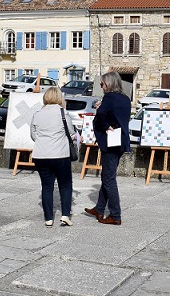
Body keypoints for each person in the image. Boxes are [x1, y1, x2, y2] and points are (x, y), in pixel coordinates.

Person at [84, 71, 131, 225]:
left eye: (102, 84)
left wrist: (104, 124)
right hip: (121, 142)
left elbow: (101, 116)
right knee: (107, 176)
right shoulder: (125, 98)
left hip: (111, 142)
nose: (101, 87)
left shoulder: (109, 97)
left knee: (109, 179)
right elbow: (117, 116)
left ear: (109, 83)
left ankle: (115, 215)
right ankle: (99, 208)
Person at [30, 86, 76, 227]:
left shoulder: (37, 114)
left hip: (41, 155)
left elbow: (33, 135)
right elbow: (72, 133)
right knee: (65, 185)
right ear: (59, 97)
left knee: (46, 186)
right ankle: (65, 215)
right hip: (60, 154)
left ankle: (49, 218)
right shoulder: (63, 113)